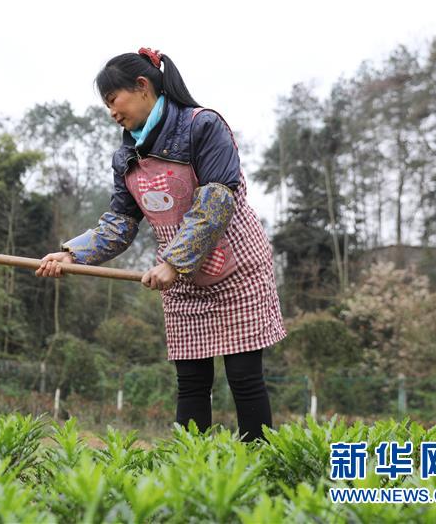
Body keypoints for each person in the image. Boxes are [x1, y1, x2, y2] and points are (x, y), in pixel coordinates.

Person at [34, 48, 286, 442]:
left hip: (236, 269)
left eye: (113, 100)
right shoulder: (127, 156)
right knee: (191, 381)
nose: (112, 112)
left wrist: (174, 262)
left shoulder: (203, 127)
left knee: (244, 378)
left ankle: (263, 473)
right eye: (105, 106)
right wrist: (71, 254)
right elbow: (119, 223)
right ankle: (189, 471)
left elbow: (216, 200)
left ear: (142, 86)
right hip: (181, 281)